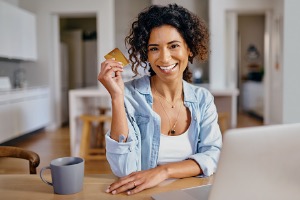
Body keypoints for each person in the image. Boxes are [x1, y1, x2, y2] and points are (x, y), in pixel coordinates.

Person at [98, 3, 222, 195]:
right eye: (154, 48)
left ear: (189, 49)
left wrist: (164, 171)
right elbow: (124, 171)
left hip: (192, 194)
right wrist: (116, 97)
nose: (164, 58)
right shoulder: (129, 95)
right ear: (146, 54)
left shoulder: (203, 99)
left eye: (173, 46)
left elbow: (213, 156)